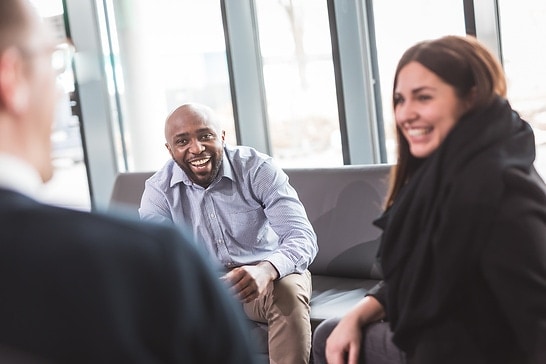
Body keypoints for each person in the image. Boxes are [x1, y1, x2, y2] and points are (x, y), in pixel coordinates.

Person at [0, 1, 257, 363]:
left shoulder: (256, 170)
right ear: (11, 77)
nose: (61, 92)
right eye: (53, 60)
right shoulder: (147, 262)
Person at [313, 35, 546, 364]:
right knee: (330, 334)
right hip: (438, 342)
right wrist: (359, 313)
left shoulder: (500, 192)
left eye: (423, 98)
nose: (405, 114)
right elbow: (424, 272)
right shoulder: (443, 176)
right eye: (399, 100)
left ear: (471, 97)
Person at [139, 103, 318, 364]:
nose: (196, 148)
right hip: (204, 286)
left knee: (288, 293)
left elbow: (301, 236)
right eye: (182, 141)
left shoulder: (257, 169)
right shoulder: (159, 191)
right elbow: (157, 261)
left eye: (205, 136)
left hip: (266, 278)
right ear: (170, 150)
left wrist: (266, 270)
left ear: (222, 136)